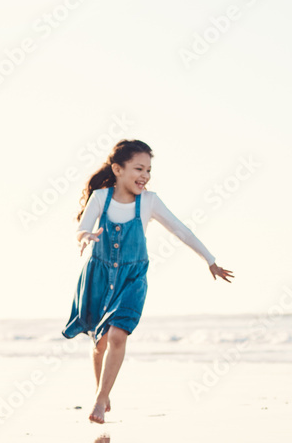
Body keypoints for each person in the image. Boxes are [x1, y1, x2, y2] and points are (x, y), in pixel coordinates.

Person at [64, 139, 233, 423]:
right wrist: (85, 238)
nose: (145, 176)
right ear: (118, 169)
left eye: (149, 170)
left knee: (118, 334)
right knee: (100, 341)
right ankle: (101, 392)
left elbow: (181, 229)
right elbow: (81, 228)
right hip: (99, 275)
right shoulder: (100, 198)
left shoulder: (149, 202)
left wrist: (210, 260)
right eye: (138, 168)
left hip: (132, 278)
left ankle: (100, 399)